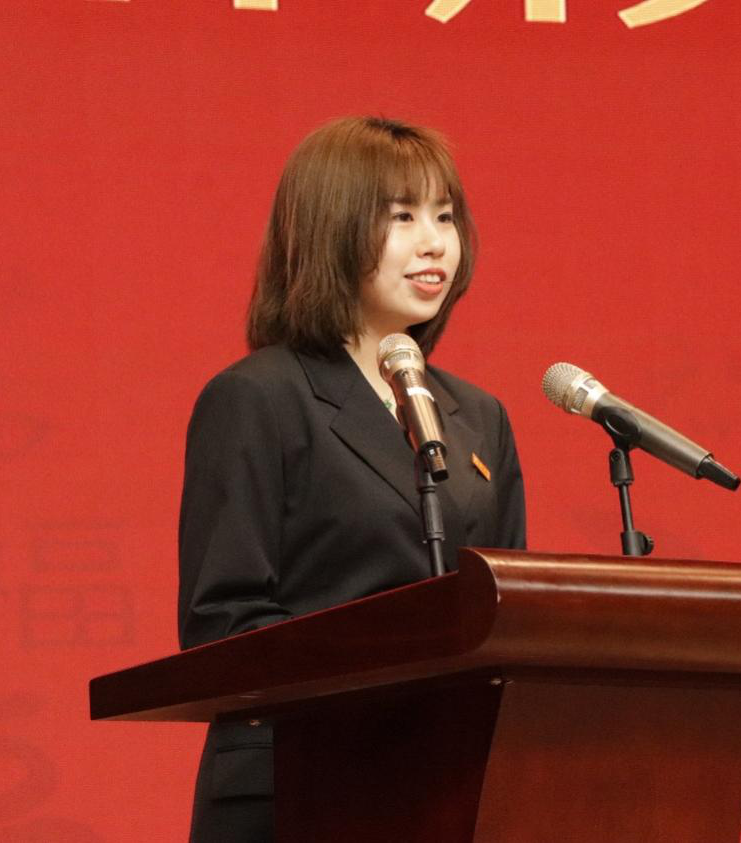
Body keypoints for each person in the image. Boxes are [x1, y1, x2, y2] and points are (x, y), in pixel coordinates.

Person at [176, 116, 527, 842]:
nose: (434, 242)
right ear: (331, 229)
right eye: (402, 217)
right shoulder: (260, 398)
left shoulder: (477, 417)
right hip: (299, 784)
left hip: (448, 788)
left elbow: (511, 608)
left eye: (444, 216)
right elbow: (222, 624)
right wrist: (392, 668)